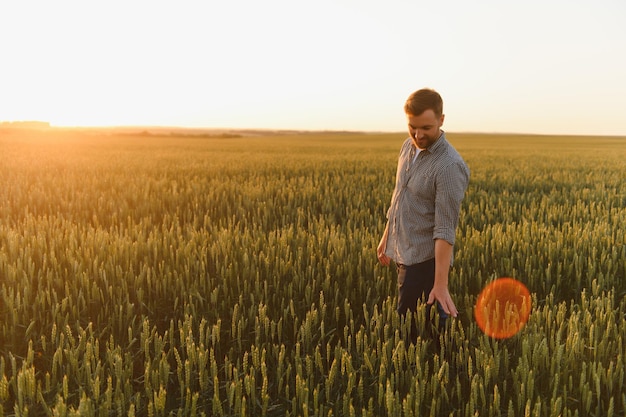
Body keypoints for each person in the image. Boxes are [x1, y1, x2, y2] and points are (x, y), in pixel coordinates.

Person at [377, 88, 469, 344]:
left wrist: (440, 284)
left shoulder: (448, 166)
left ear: (441, 119)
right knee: (416, 325)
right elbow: (400, 196)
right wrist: (388, 235)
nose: (418, 135)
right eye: (412, 127)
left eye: (426, 128)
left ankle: (430, 370)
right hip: (404, 249)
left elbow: (445, 229)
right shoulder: (408, 147)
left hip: (425, 261)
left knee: (411, 330)